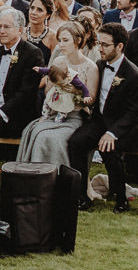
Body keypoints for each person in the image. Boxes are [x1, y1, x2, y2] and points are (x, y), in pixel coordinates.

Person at [67, 20, 138, 211]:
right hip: (101, 120)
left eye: (105, 45)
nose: (100, 48)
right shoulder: (99, 66)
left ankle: (121, 199)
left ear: (119, 46)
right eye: (99, 43)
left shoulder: (133, 75)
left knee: (108, 148)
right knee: (76, 142)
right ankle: (81, 196)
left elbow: (133, 113)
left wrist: (112, 133)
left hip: (125, 127)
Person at [15, 21, 98, 167]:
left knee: (48, 137)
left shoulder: (90, 67)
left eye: (65, 40)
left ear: (78, 40)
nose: (61, 45)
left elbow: (90, 100)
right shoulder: (59, 61)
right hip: (54, 112)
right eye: (59, 40)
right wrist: (56, 86)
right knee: (32, 130)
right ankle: (34, 178)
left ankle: (55, 179)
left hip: (76, 117)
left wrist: (74, 91)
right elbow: (47, 91)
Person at [0, 6, 43, 156]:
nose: (1, 30)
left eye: (6, 27)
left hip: (18, 115)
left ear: (20, 30)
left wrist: (0, 112)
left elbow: (26, 93)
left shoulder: (32, 54)